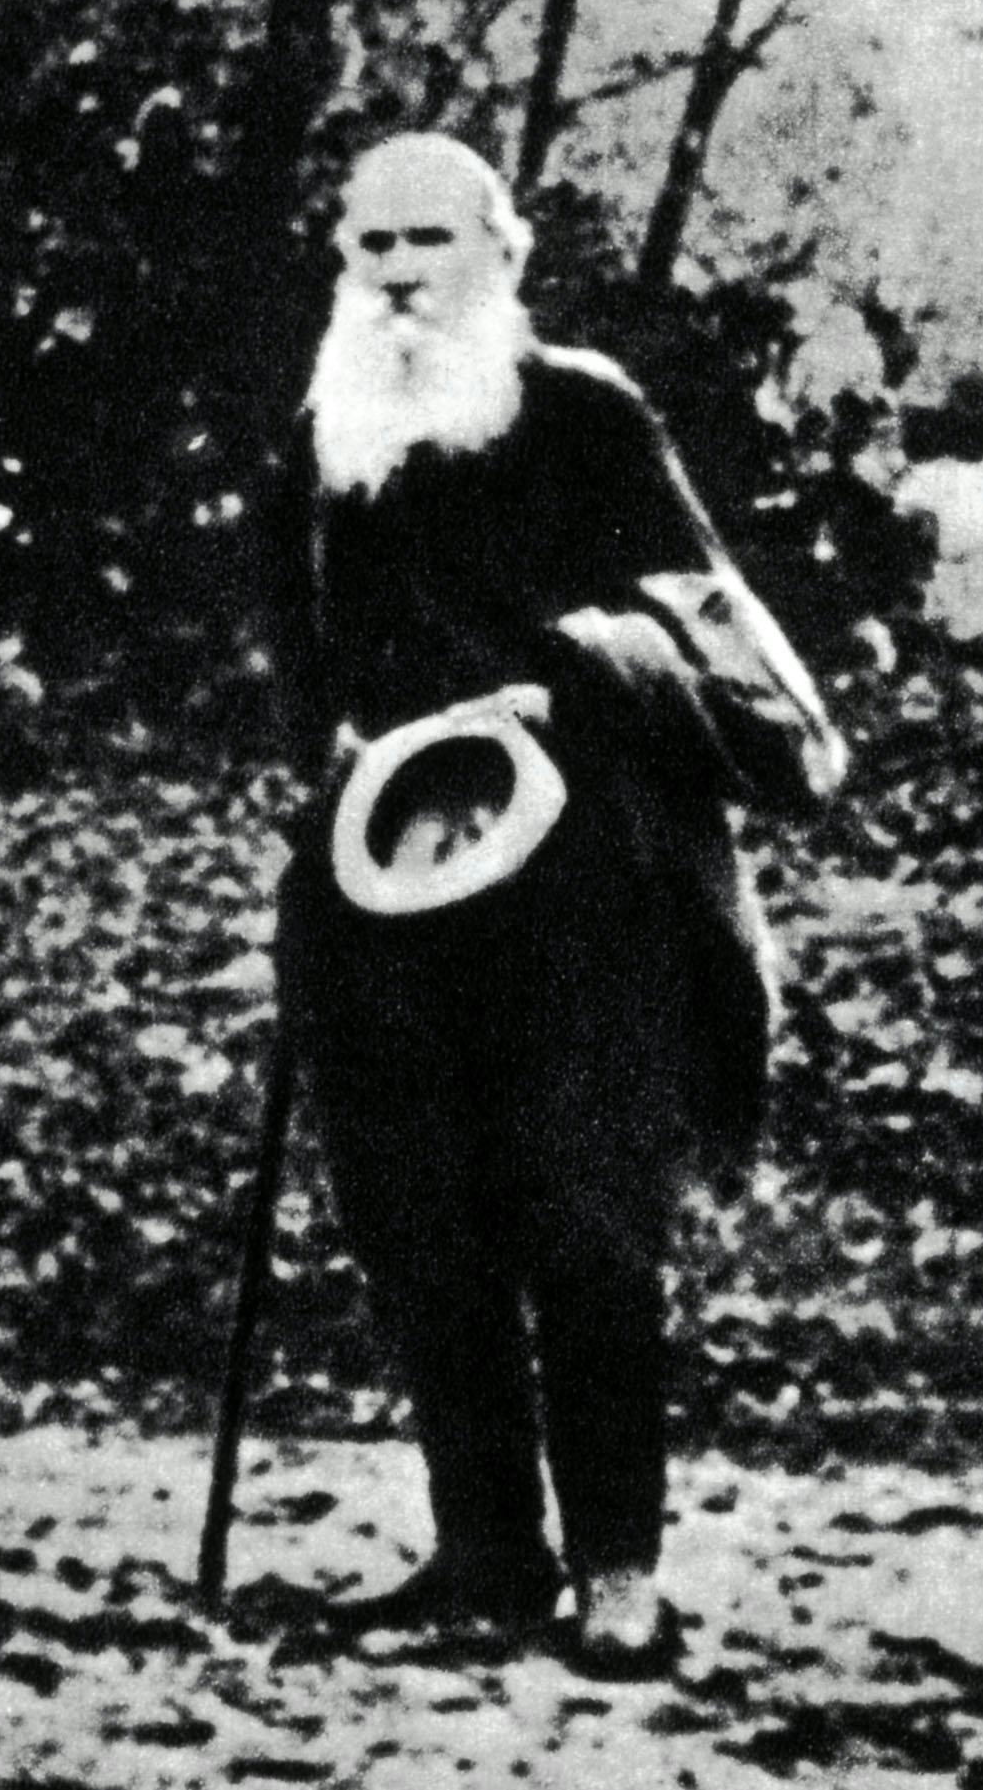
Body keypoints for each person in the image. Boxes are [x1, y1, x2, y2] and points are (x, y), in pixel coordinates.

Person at [269, 131, 844, 1675]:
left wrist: (574, 664)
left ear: (503, 254)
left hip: (585, 883)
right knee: (422, 1221)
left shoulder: (585, 412)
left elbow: (699, 615)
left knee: (588, 1221)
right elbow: (299, 648)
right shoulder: (330, 434)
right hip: (389, 882)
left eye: (431, 240)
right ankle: (484, 1553)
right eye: (373, 243)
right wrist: (313, 756)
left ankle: (618, 1572)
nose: (400, 271)